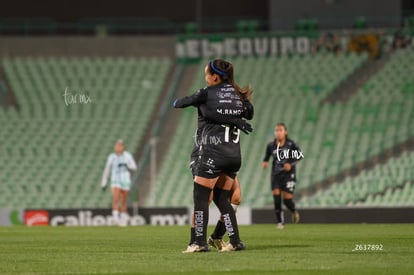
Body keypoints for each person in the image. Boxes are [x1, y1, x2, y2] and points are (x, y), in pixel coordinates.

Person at [174, 59, 253, 252]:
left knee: (201, 198)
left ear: (215, 76)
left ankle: (198, 242)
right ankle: (234, 241)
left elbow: (178, 103)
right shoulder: (237, 94)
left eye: (206, 74)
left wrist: (192, 99)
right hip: (233, 156)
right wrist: (236, 120)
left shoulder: (206, 94)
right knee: (224, 200)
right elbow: (249, 113)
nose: (205, 77)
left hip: (211, 153)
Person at [262, 123, 303, 229]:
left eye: (280, 130)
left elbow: (299, 155)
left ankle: (293, 211)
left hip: (288, 175)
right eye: (276, 130)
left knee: (287, 200)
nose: (278, 132)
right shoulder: (271, 145)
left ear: (285, 132)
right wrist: (265, 162)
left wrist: (290, 163)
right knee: (276, 197)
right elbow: (267, 156)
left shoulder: (291, 144)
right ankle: (280, 222)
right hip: (275, 174)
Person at [101, 140, 137, 226]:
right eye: (116, 145)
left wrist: (126, 165)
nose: (117, 147)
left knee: (123, 201)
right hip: (115, 179)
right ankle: (115, 218)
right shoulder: (111, 157)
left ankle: (123, 220)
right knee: (115, 197)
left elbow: (134, 167)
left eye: (119, 146)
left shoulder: (127, 155)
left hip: (125, 179)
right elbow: (107, 169)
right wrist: (104, 181)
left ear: (123, 147)